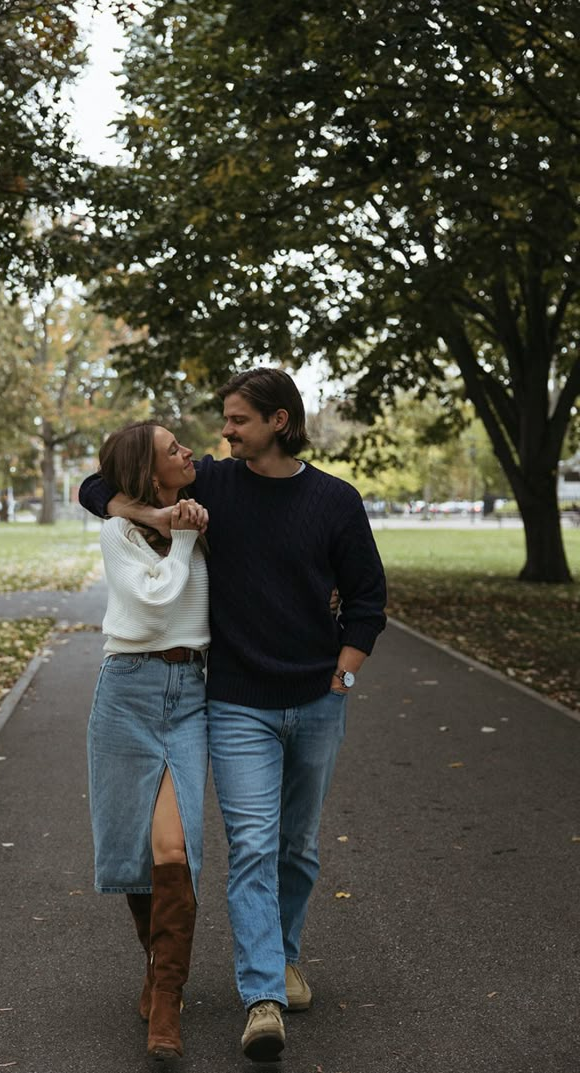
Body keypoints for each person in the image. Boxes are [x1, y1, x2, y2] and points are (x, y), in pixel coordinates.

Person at [80, 369, 387, 1063]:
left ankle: (282, 958)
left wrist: (343, 674)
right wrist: (155, 516)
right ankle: (262, 996)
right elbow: (97, 486)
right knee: (250, 844)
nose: (223, 432)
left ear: (280, 421)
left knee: (296, 847)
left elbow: (369, 597)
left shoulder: (335, 501)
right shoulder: (213, 485)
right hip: (237, 702)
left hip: (316, 697)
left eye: (239, 420)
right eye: (225, 420)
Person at [86, 420, 210, 1061]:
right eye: (173, 450)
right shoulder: (119, 531)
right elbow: (153, 600)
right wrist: (180, 538)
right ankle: (159, 974)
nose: (189, 452)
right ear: (148, 473)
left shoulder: (204, 511)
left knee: (173, 847)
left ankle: (167, 999)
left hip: (190, 693)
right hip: (126, 691)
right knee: (134, 850)